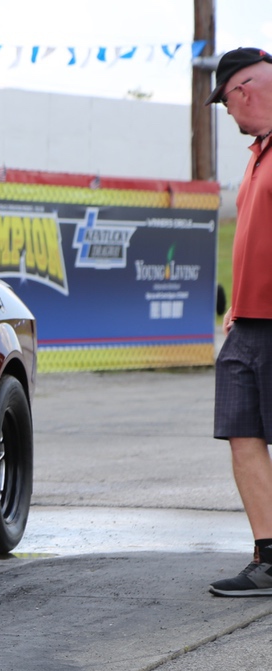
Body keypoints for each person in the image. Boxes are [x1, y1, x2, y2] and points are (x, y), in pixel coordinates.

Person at [207, 47, 272, 595]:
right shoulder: (258, 153)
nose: (227, 114)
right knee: (241, 432)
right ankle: (270, 555)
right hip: (247, 322)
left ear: (244, 90)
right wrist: (236, 306)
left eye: (226, 102)